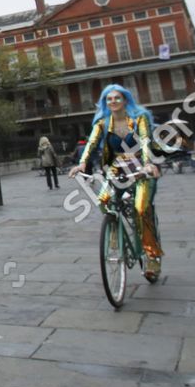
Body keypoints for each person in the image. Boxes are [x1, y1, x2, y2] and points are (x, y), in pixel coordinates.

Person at [69, 84, 164, 280]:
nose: (113, 101)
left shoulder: (139, 118)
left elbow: (145, 141)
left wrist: (147, 165)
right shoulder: (103, 123)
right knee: (103, 200)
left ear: (125, 100)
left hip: (140, 169)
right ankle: (114, 230)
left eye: (117, 98)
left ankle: (152, 256)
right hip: (116, 169)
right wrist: (81, 164)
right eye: (109, 99)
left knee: (140, 209)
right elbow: (91, 144)